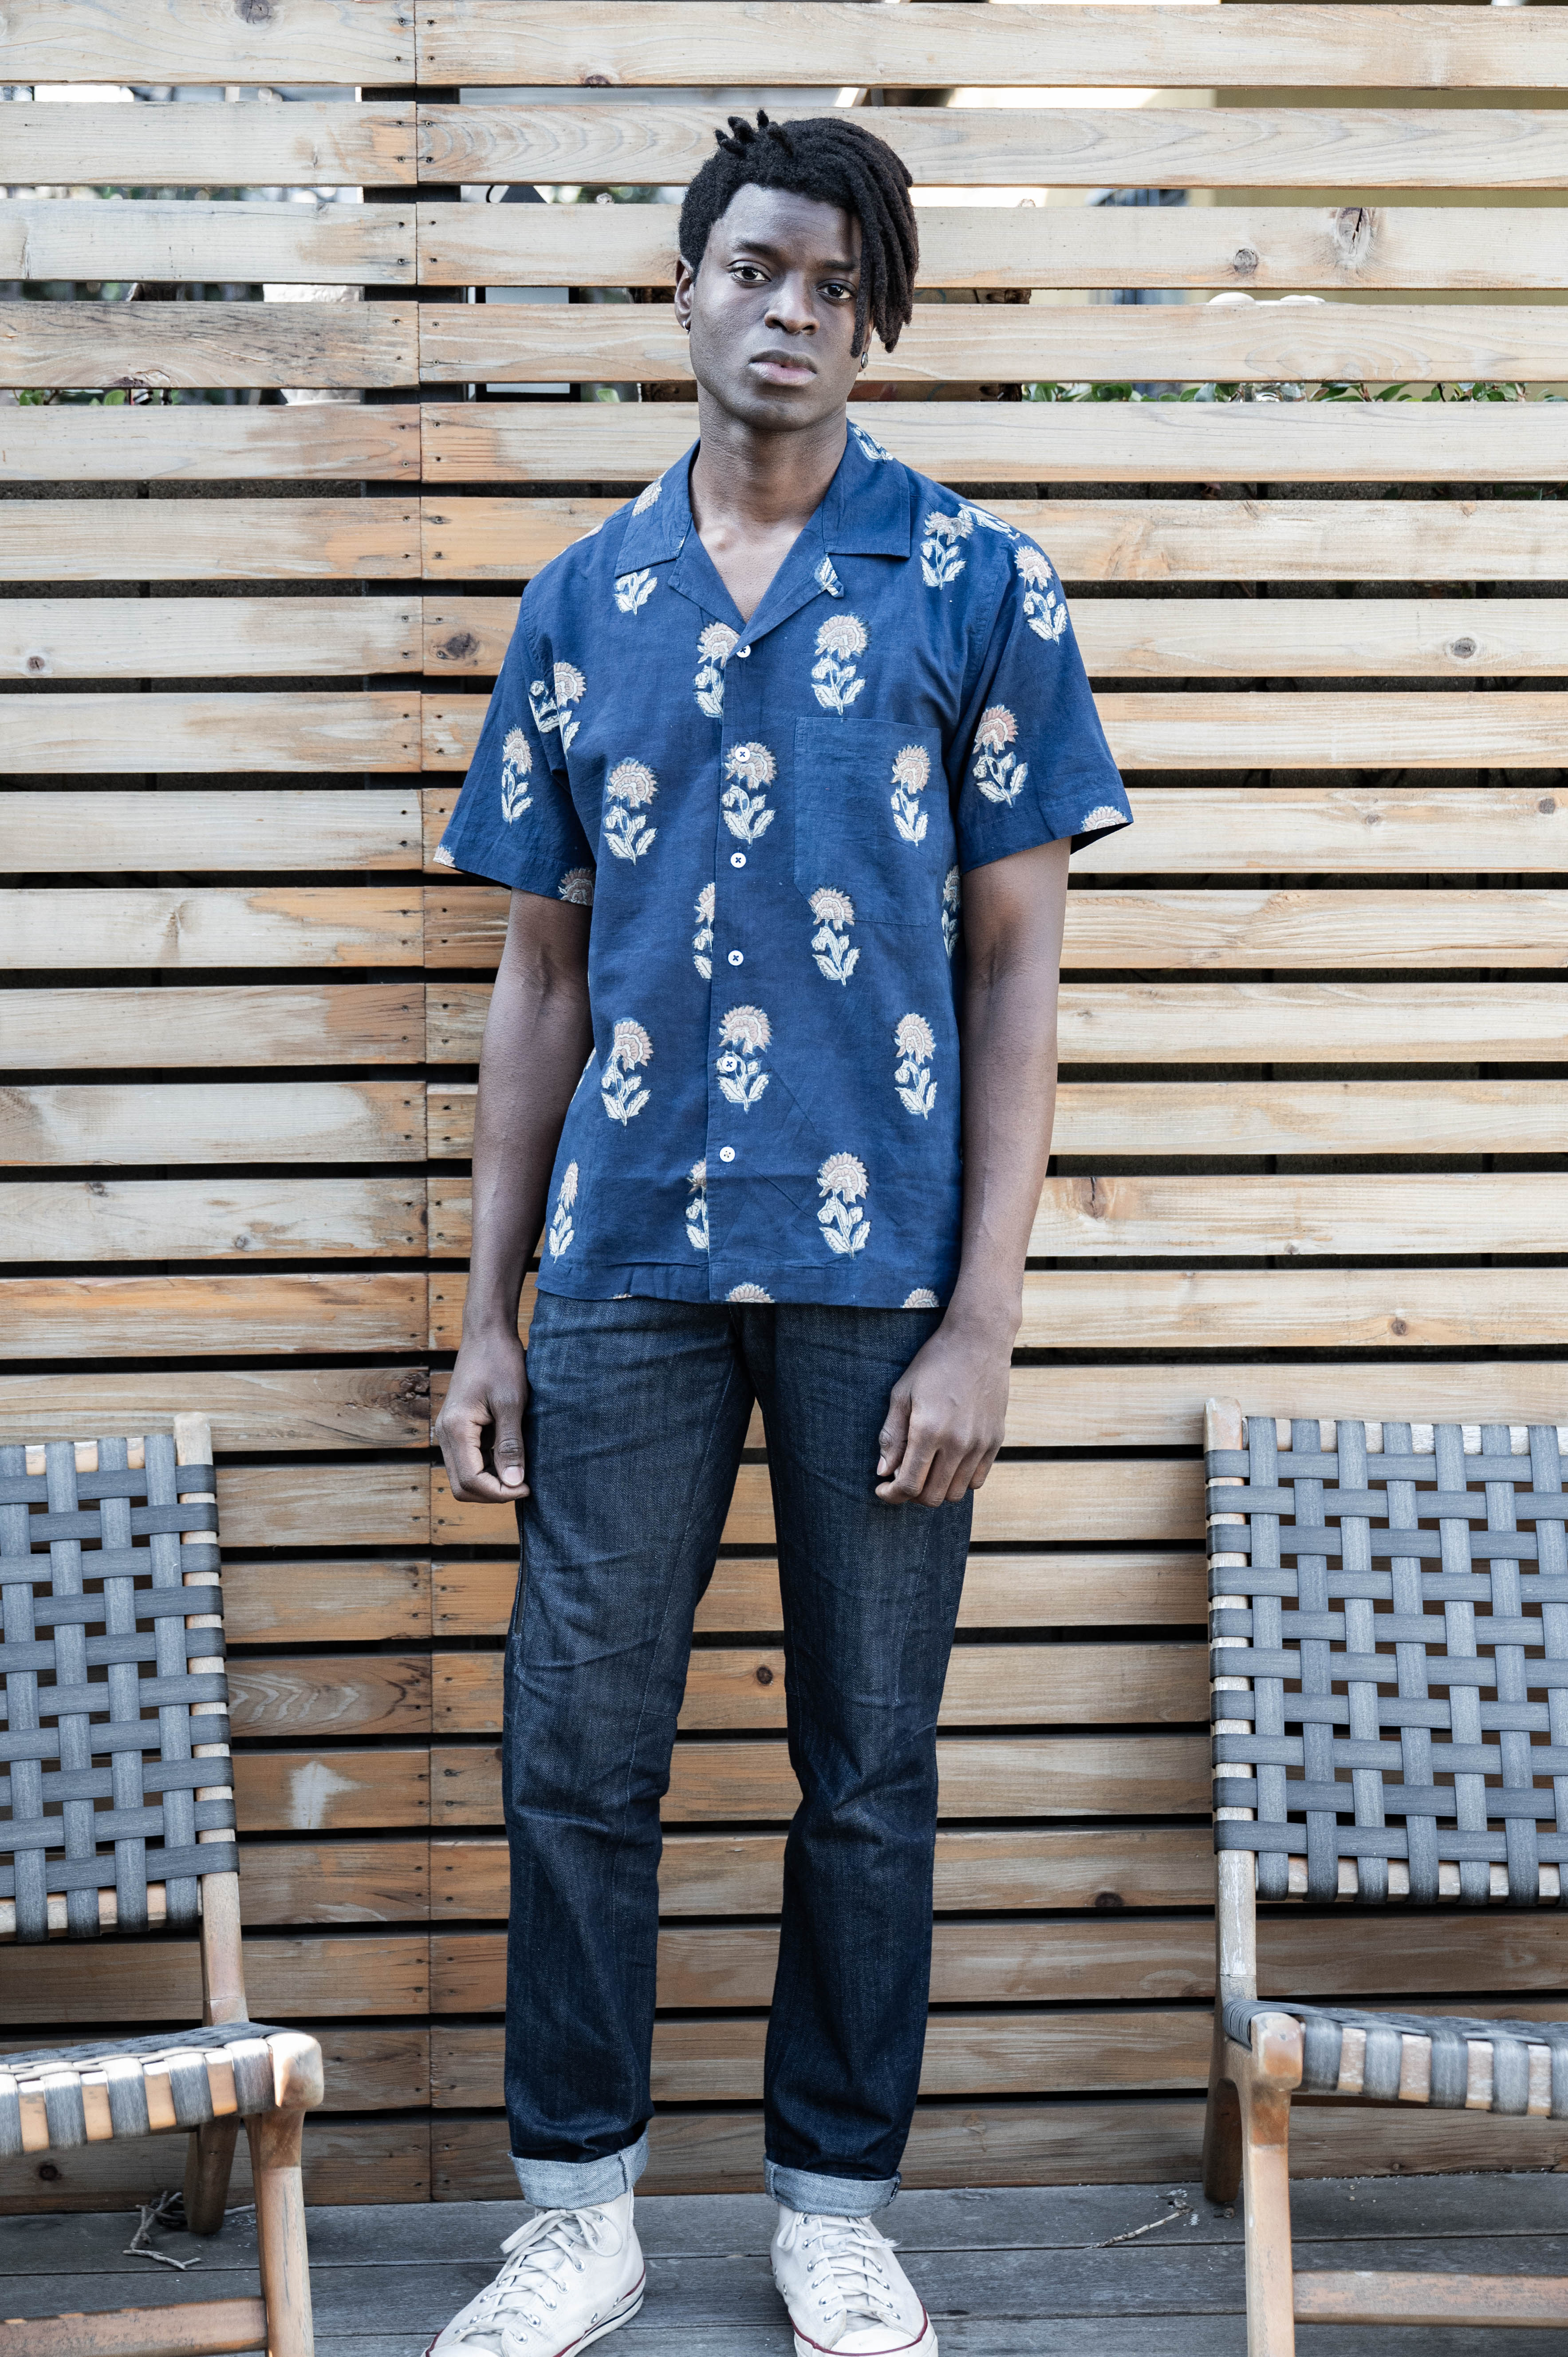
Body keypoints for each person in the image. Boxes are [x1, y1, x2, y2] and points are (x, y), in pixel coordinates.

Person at [426, 108, 1131, 2357]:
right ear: (684, 287)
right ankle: (579, 2211)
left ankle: (836, 2199)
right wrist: (485, 1316)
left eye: (835, 285)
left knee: (871, 1758)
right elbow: (535, 982)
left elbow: (1019, 959)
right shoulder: (579, 602)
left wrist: (985, 1315)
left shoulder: (973, 584)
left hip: (880, 1279)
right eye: (756, 267)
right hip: (621, 1261)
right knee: (574, 1749)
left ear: (874, 323)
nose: (789, 312)